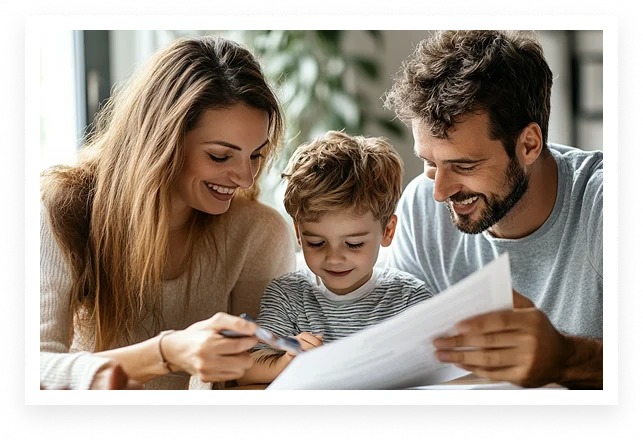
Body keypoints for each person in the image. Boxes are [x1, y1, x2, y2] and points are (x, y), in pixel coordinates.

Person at [40, 35, 296, 390]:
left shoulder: (259, 233)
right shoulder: (62, 209)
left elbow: (253, 378)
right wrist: (167, 352)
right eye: (220, 156)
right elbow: (28, 371)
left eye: (256, 154)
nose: (246, 177)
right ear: (162, 142)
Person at [383, 30, 602, 389]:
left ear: (528, 144)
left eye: (464, 166)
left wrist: (566, 358)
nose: (440, 192)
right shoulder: (421, 206)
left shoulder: (609, 206)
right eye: (430, 163)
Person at [234, 131, 434, 386]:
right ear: (299, 233)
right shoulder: (287, 295)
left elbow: (440, 368)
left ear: (387, 231)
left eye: (354, 244)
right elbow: (245, 368)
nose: (334, 258)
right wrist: (287, 362)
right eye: (316, 243)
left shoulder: (409, 298)